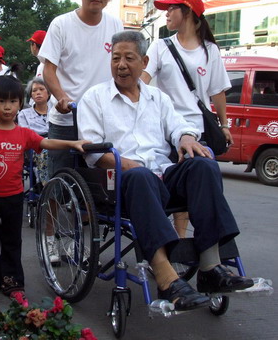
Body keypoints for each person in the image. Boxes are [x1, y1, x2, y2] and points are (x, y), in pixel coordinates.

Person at [77, 30, 254, 311]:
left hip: (161, 175)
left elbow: (179, 126)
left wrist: (186, 137)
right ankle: (166, 276)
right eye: (116, 58)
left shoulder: (157, 97)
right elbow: (94, 152)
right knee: (139, 175)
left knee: (204, 165)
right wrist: (131, 164)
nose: (121, 65)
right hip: (123, 181)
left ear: (144, 61)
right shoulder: (94, 98)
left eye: (129, 58)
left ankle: (210, 267)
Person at [0, 75, 89, 299]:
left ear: (20, 103)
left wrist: (72, 143)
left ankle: (13, 280)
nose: (7, 107)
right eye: (1, 101)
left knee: (12, 240)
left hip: (13, 198)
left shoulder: (23, 133)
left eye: (12, 101)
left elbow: (46, 142)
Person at [141, 0, 233, 236]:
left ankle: (184, 241)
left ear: (189, 11)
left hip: (197, 130)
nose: (166, 13)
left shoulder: (210, 50)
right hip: (164, 130)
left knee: (195, 186)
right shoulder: (160, 46)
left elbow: (217, 92)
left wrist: (224, 125)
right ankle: (170, 240)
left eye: (172, 8)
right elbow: (142, 81)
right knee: (167, 186)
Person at [38, 0, 124, 179]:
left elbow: (121, 68)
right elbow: (49, 69)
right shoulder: (61, 24)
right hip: (67, 119)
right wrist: (61, 97)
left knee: (101, 187)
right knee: (58, 182)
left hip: (102, 118)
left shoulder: (116, 25)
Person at [17, 77, 51, 185]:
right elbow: (25, 135)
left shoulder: (55, 111)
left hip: (55, 143)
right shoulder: (24, 114)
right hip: (35, 147)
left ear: (49, 93)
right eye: (34, 90)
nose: (38, 93)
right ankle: (47, 186)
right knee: (45, 151)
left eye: (41, 89)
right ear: (31, 95)